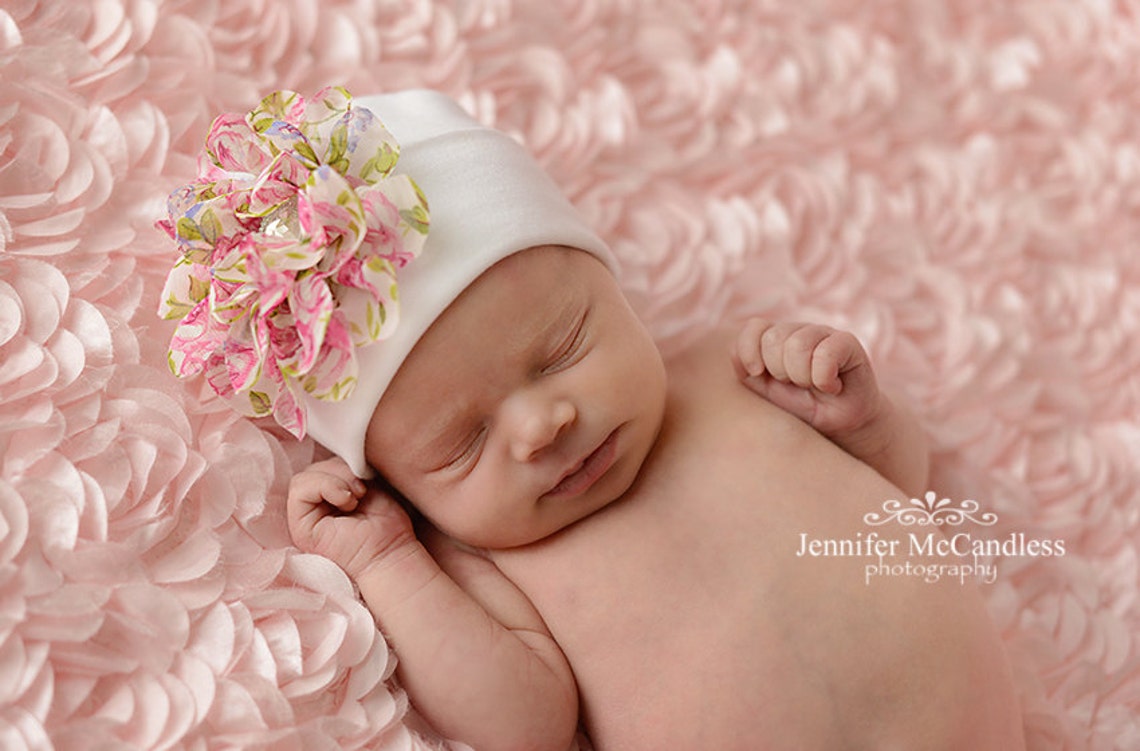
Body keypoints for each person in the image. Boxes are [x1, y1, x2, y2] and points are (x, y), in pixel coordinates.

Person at [160, 88, 1026, 750]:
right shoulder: (487, 556)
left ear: (612, 290)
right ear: (396, 479)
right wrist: (387, 561)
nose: (540, 427)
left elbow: (899, 485)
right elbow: (522, 723)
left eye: (561, 349)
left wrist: (861, 414)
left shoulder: (732, 372)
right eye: (462, 445)